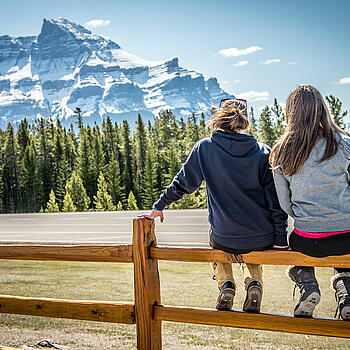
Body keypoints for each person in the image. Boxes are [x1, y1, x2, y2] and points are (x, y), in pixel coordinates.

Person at [143, 98, 288, 313]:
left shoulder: (205, 148)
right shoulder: (262, 151)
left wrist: (159, 206)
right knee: (254, 250)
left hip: (224, 236)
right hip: (261, 235)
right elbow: (275, 202)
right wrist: (280, 239)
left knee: (217, 246)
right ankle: (254, 284)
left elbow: (182, 184)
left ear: (220, 119)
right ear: (244, 120)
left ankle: (226, 284)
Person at [270, 85, 350, 320]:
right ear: (322, 110)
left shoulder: (282, 151)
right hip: (347, 235)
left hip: (308, 239)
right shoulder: (343, 144)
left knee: (298, 256)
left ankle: (309, 286)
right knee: (343, 257)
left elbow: (285, 204)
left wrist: (308, 217)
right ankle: (345, 294)